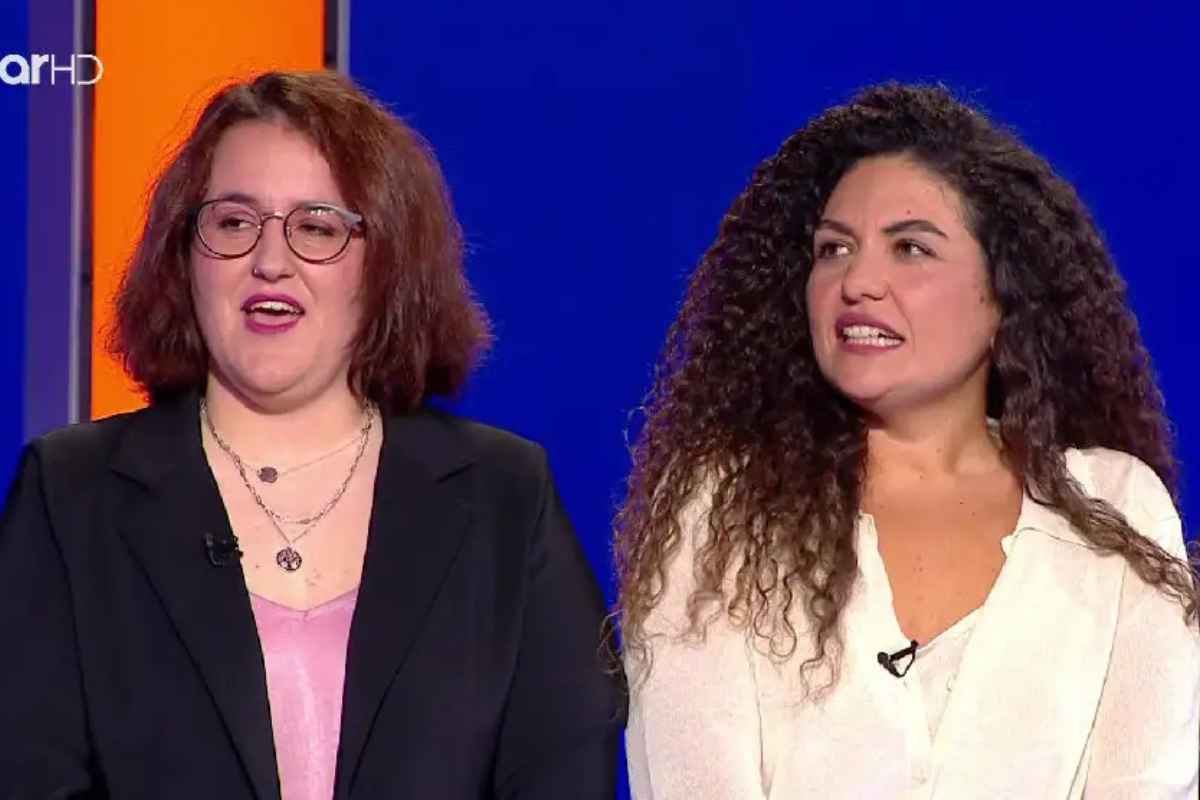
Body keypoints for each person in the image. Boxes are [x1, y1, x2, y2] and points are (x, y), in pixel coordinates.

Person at [0, 70, 621, 799]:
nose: (270, 261)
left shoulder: (503, 497)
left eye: (317, 227)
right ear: (185, 256)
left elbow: (560, 773)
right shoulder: (73, 495)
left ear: (385, 264)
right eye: (234, 223)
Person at [616, 83, 1200, 798]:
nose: (858, 282)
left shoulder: (1116, 509)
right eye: (834, 249)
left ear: (1004, 294)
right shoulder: (722, 509)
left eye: (911, 249)